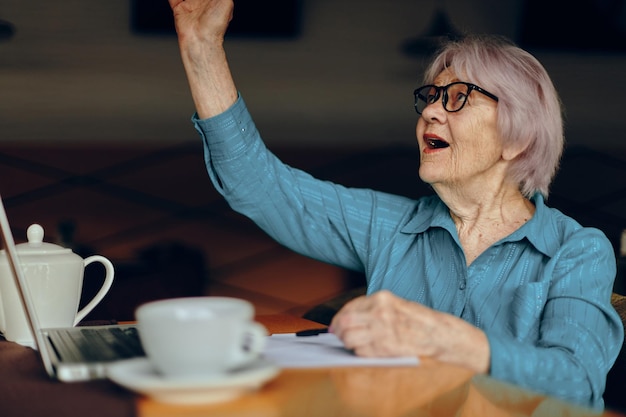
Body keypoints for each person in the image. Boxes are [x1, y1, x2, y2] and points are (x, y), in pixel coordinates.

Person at [167, 0, 624, 410]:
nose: (430, 111)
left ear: (517, 138)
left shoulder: (577, 250)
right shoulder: (390, 225)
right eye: (429, 97)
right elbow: (259, 185)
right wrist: (201, 46)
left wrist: (449, 340)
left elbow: (576, 386)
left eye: (458, 98)